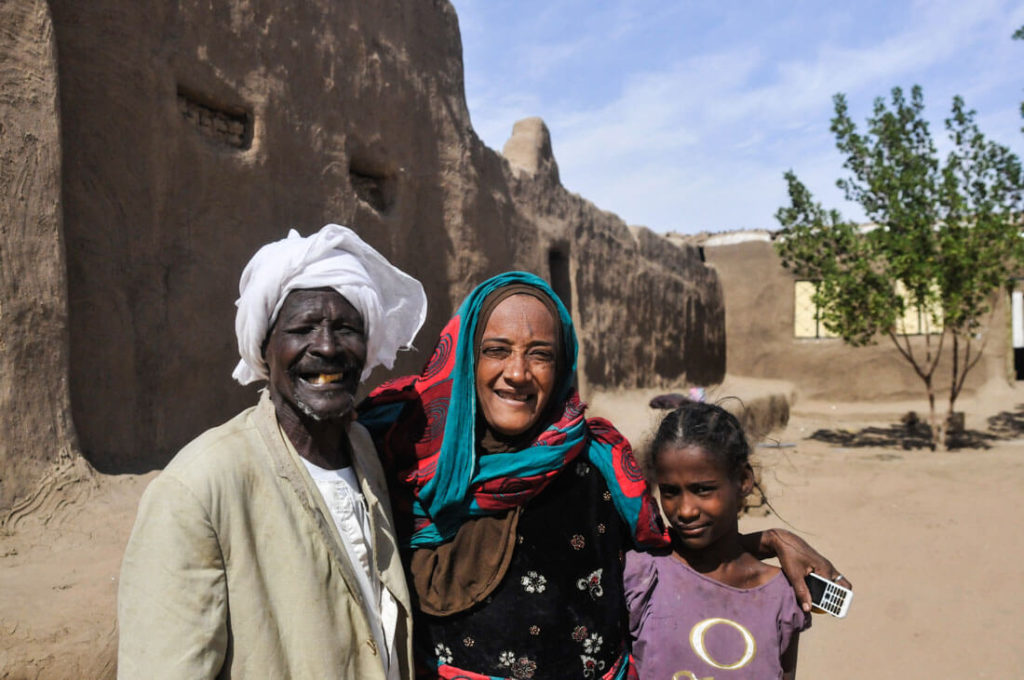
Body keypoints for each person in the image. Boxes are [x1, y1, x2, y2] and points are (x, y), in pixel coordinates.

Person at [359, 271, 845, 680]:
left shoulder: (597, 460)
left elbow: (668, 552)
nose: (518, 372)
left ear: (563, 363)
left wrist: (764, 541)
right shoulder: (407, 459)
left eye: (540, 354)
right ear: (466, 356)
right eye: (497, 350)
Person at [117, 224, 427, 679]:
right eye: (302, 328)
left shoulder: (366, 451)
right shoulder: (199, 489)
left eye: (346, 328)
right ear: (265, 346)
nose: (326, 346)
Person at [625, 401, 814, 680]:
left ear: (743, 481)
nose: (685, 510)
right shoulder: (642, 575)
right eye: (670, 492)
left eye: (703, 490)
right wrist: (773, 539)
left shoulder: (780, 597)